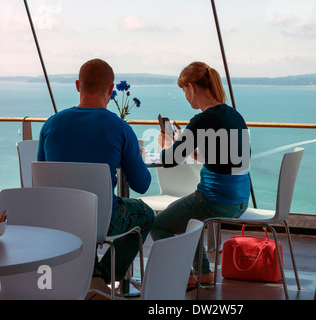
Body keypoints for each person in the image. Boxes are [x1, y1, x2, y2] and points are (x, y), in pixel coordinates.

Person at [37, 58, 154, 299]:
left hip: (57, 219)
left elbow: (40, 180)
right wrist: (134, 156)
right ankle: (102, 277)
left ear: (78, 85)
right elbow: (141, 185)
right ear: (111, 90)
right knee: (146, 214)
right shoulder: (120, 128)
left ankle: (87, 276)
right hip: (101, 220)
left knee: (82, 217)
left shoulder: (51, 125)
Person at [150, 61, 251, 289]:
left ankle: (185, 276)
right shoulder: (234, 116)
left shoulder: (202, 120)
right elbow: (226, 161)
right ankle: (203, 274)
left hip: (215, 200)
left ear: (191, 87)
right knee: (189, 220)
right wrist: (184, 145)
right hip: (240, 201)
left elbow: (170, 160)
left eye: (184, 90)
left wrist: (166, 143)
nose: (186, 97)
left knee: (158, 225)